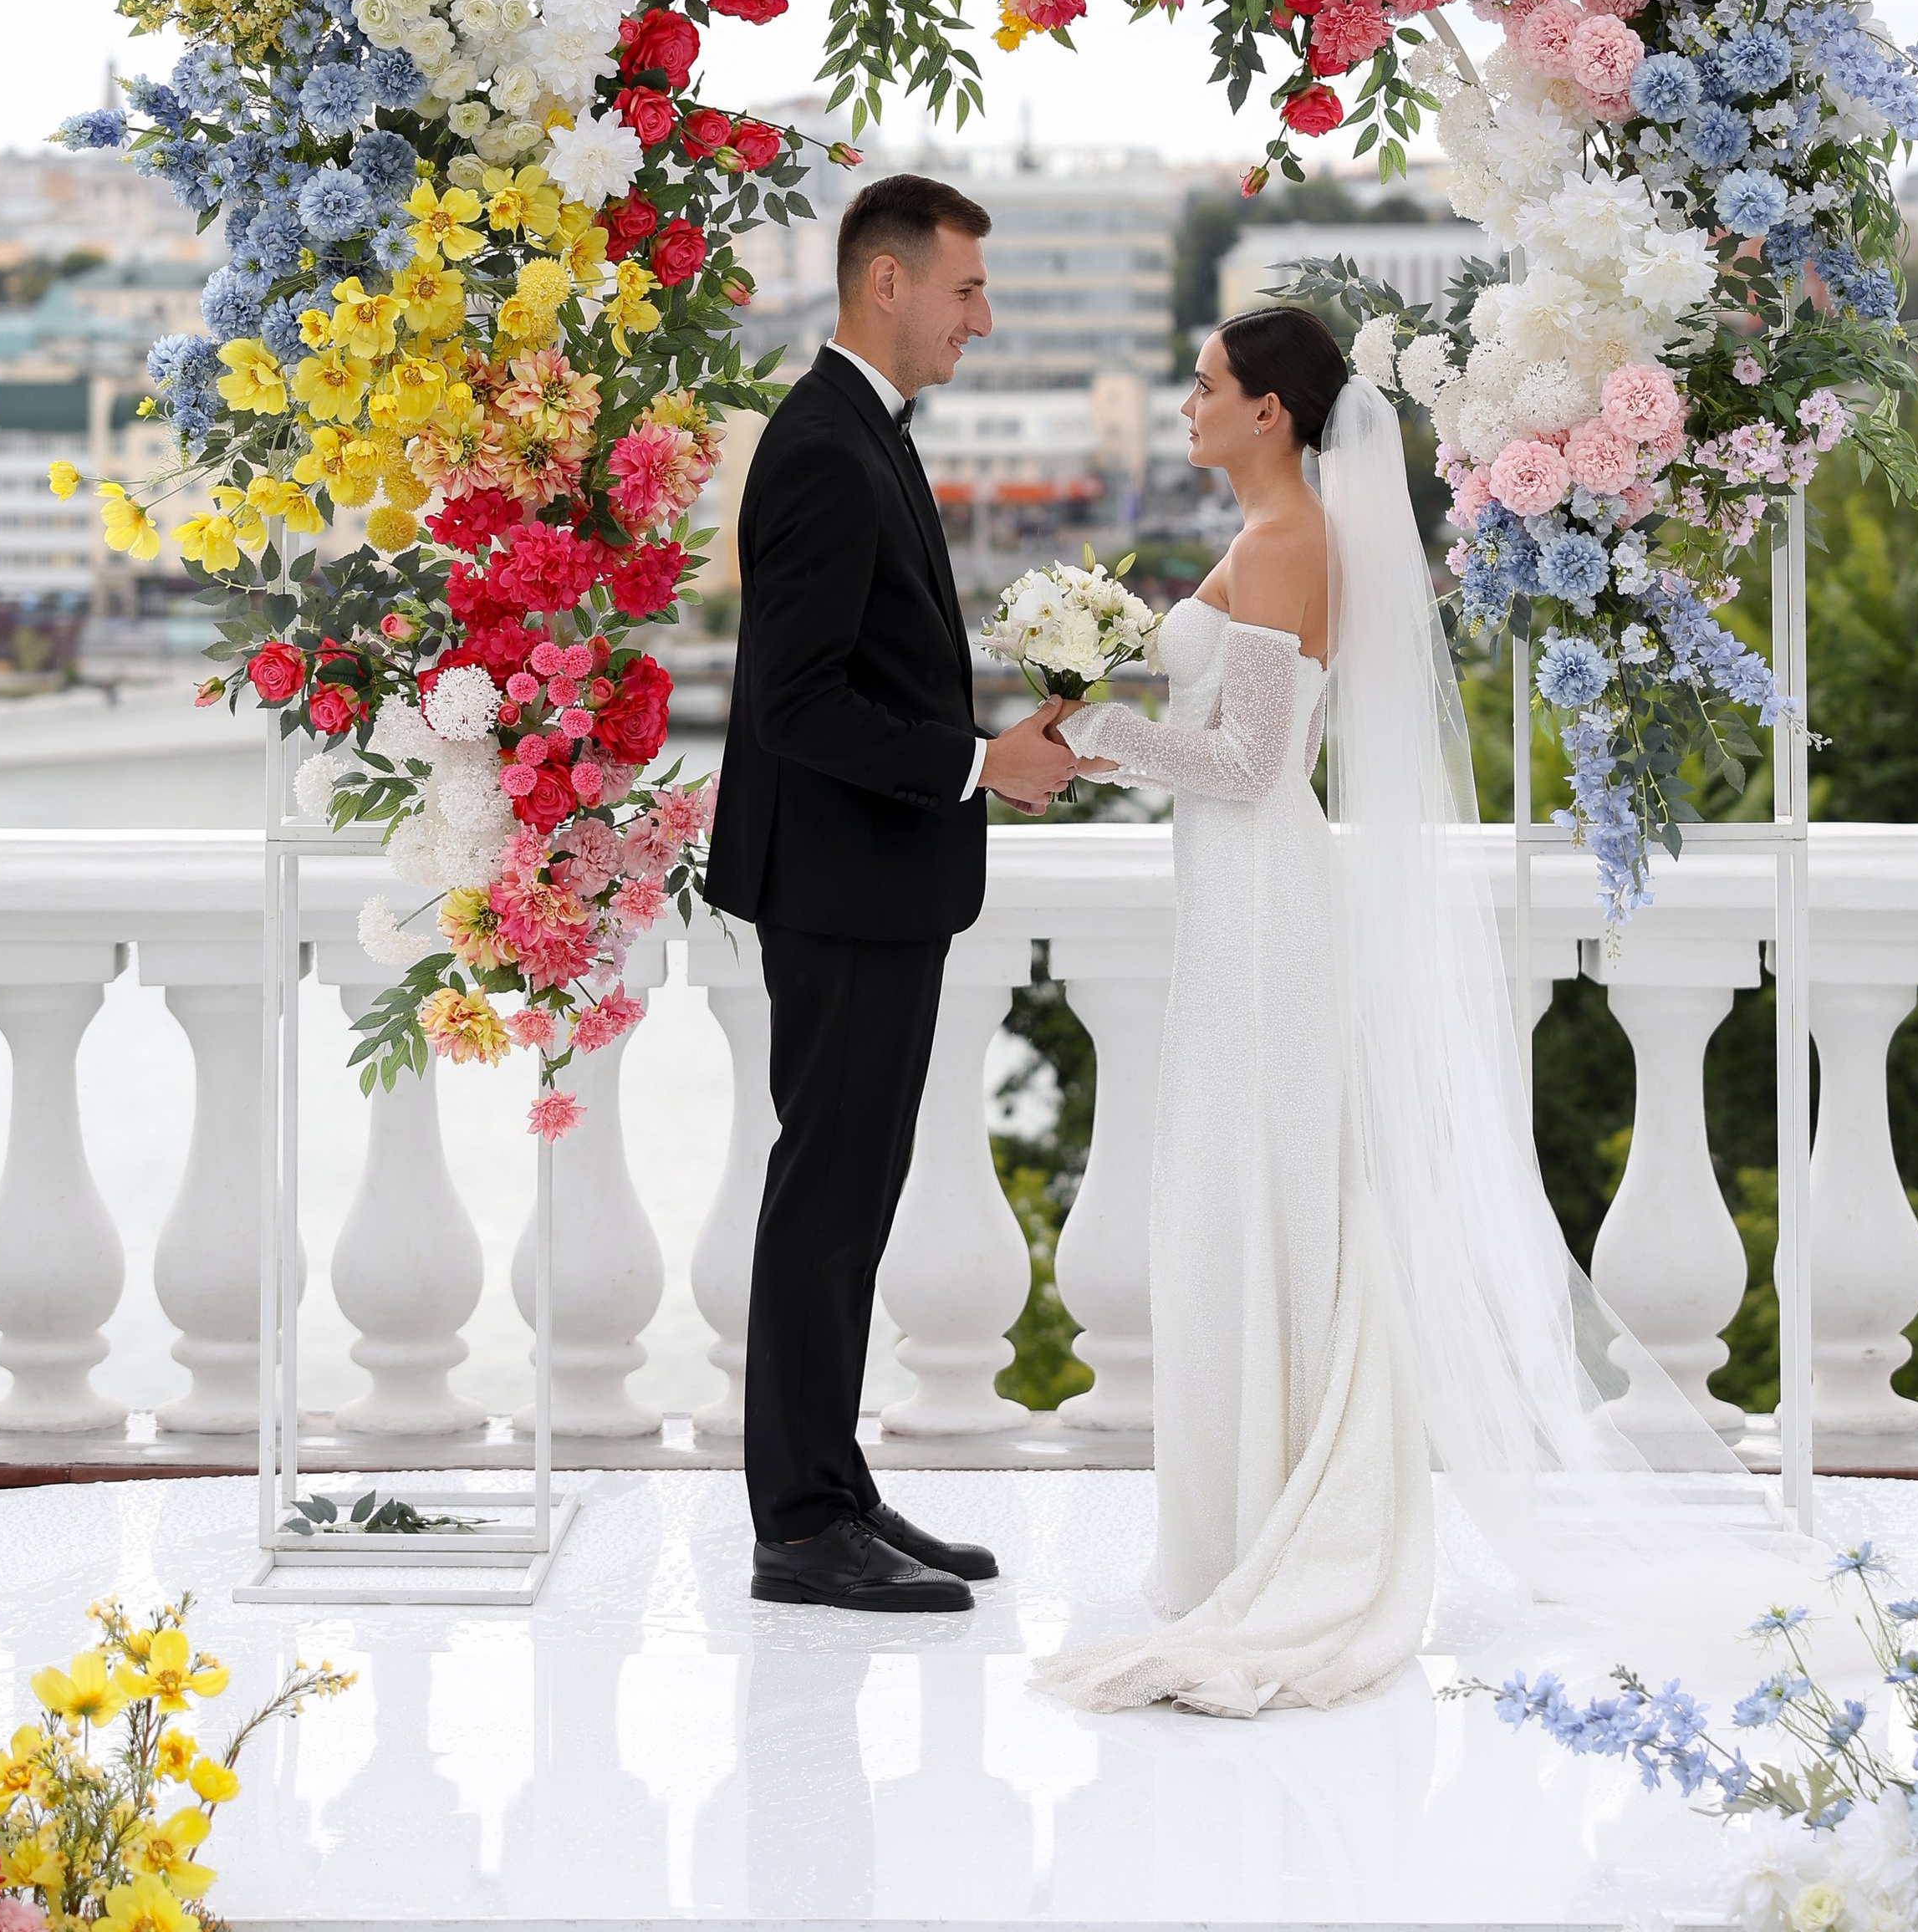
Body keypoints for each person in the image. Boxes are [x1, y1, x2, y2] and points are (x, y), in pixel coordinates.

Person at [1033, 308, 1794, 1719]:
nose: (1186, 404)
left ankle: (1280, 1529)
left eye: (1205, 387)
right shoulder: (1269, 537)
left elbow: (1258, 763)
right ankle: (1237, 1528)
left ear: (1270, 411)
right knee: (1227, 1204)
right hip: (1238, 912)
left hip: (1266, 913)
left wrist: (1087, 739)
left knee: (1256, 1201)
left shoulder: (1286, 543)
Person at [706, 173, 1078, 1616]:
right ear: (887, 284)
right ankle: (799, 1525)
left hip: (874, 883)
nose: (982, 319)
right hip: (843, 884)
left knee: (850, 1196)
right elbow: (794, 705)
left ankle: (835, 1489)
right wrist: (979, 763)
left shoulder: (860, 430)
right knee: (825, 1197)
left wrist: (989, 755)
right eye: (967, 291)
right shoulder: (823, 447)